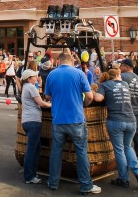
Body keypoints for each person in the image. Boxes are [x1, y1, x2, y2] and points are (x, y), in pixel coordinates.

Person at [44, 51, 100, 195]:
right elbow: (89, 96)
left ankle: (53, 182)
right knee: (81, 152)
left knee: (56, 152)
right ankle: (85, 185)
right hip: (76, 119)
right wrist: (83, 105)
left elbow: (47, 96)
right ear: (71, 61)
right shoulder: (79, 74)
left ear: (59, 61)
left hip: (58, 120)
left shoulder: (52, 74)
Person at [92, 67, 138, 189]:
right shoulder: (125, 84)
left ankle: (124, 179)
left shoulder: (105, 85)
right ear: (117, 75)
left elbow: (97, 99)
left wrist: (96, 92)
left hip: (115, 121)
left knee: (119, 149)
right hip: (131, 120)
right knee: (128, 147)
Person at [20, 68, 50, 185]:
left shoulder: (26, 88)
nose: (36, 77)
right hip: (33, 122)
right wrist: (51, 104)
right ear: (29, 78)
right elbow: (41, 103)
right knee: (32, 150)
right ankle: (29, 176)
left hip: (27, 121)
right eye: (34, 76)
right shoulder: (31, 87)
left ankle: (33, 173)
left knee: (36, 148)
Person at [119, 58, 138, 170]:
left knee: (122, 139)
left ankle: (123, 162)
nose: (120, 69)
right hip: (136, 111)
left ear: (126, 66)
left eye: (121, 66)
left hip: (124, 111)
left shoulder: (122, 77)